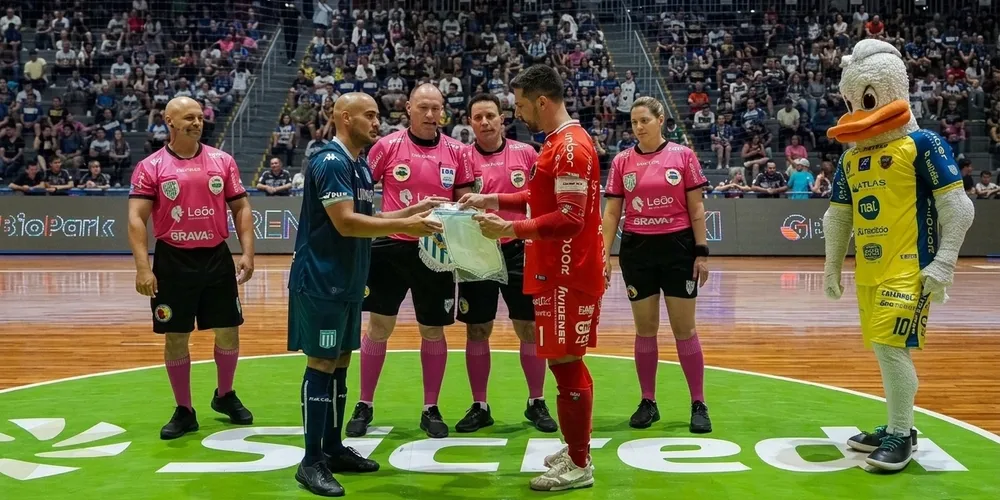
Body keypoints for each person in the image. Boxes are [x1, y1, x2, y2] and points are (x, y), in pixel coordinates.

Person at [823, 38, 975, 472]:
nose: (859, 109)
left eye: (865, 97)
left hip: (912, 269)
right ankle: (897, 426)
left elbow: (958, 206)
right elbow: (838, 216)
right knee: (882, 347)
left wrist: (944, 262)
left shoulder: (923, 144)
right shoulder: (852, 158)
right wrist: (833, 265)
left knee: (891, 349)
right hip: (869, 271)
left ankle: (901, 435)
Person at [287, 92, 446, 497]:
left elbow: (369, 218)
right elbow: (345, 223)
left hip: (347, 280)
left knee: (339, 361)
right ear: (345, 118)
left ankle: (334, 448)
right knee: (322, 363)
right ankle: (310, 462)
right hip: (321, 281)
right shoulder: (330, 161)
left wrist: (413, 211)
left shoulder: (357, 164)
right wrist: (409, 229)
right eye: (370, 115)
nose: (378, 122)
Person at [460, 65, 604, 491]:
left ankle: (579, 464)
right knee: (564, 363)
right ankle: (577, 448)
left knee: (567, 363)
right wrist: (495, 198)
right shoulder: (558, 143)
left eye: (521, 105)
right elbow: (540, 196)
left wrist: (510, 229)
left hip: (566, 272)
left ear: (542, 101)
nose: (519, 113)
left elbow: (570, 218)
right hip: (555, 268)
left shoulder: (571, 147)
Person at [345, 83, 474, 439]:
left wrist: (460, 212)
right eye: (423, 108)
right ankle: (364, 403)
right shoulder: (385, 146)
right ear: (408, 109)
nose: (431, 115)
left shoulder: (458, 152)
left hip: (436, 250)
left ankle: (430, 407)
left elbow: (465, 201)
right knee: (379, 327)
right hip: (389, 247)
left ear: (443, 111)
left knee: (432, 329)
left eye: (436, 108)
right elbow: (360, 196)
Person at [127, 96, 256, 440]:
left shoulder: (222, 161)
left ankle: (225, 395)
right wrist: (143, 268)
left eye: (200, 117)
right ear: (169, 121)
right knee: (176, 336)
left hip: (216, 257)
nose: (197, 123)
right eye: (188, 118)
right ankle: (184, 410)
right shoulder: (151, 167)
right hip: (173, 261)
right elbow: (136, 220)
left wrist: (247, 252)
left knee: (229, 329)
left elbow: (241, 208)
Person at [601, 96, 713, 434]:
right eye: (634, 122)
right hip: (638, 250)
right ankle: (648, 401)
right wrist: (603, 255)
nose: (638, 127)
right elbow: (612, 213)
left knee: (684, 330)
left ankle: (698, 402)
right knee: (645, 329)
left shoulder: (683, 156)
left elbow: (696, 208)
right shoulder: (622, 161)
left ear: (660, 119)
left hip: (677, 249)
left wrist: (701, 252)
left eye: (644, 121)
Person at [454, 93, 557, 434]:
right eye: (478, 117)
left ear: (502, 119)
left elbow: (541, 198)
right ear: (470, 122)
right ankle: (479, 405)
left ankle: (536, 401)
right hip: (476, 253)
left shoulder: (527, 153)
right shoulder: (460, 157)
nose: (484, 122)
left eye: (490, 116)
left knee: (528, 328)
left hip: (518, 249)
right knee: (477, 329)